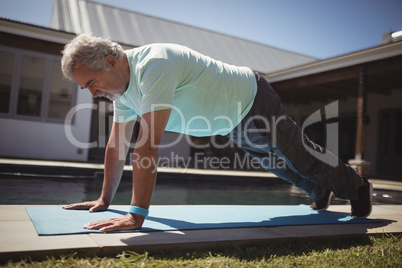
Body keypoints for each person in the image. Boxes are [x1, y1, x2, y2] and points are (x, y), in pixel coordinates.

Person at [61, 33, 373, 232]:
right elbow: (117, 147)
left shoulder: (154, 65)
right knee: (277, 164)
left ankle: (357, 187)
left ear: (112, 62)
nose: (91, 93)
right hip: (229, 121)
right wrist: (103, 199)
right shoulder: (122, 93)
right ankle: (320, 191)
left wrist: (136, 215)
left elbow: (146, 148)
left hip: (251, 97)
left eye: (91, 83)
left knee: (296, 154)